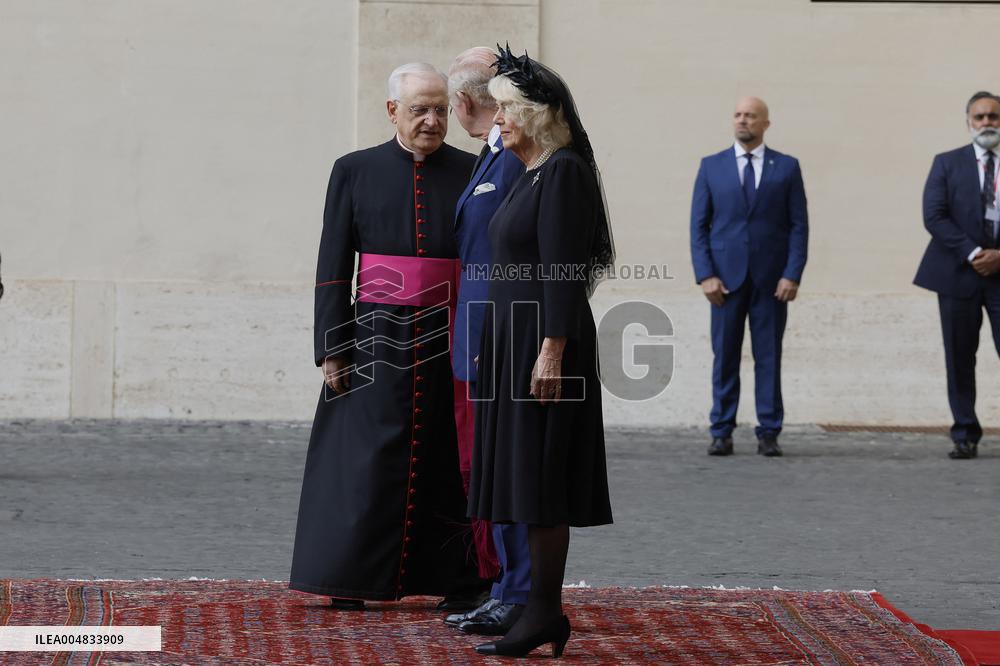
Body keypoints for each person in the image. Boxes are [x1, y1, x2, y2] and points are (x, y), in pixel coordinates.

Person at [289, 62, 487, 610]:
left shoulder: (472, 170)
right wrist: (332, 347)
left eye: (441, 109)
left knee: (449, 459)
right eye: (420, 109)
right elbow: (333, 265)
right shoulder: (353, 170)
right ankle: (353, 580)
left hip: (449, 334)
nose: (432, 120)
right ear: (392, 110)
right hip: (375, 335)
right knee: (365, 461)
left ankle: (458, 581)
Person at [467, 45, 614, 658]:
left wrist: (551, 350)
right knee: (523, 479)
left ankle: (544, 613)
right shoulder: (529, 172)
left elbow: (563, 269)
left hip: (544, 342)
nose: (495, 121)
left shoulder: (563, 172)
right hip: (515, 341)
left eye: (504, 110)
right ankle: (536, 611)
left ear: (535, 115)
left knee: (542, 481)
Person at [443, 47, 529, 637]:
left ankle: (518, 588)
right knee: (486, 469)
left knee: (505, 468)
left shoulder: (517, 162)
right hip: (475, 336)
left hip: (500, 337)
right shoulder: (490, 157)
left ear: (460, 104)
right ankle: (502, 585)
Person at [690, 97, 808, 457]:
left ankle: (768, 431)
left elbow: (799, 226)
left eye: (751, 116)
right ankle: (721, 430)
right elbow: (699, 227)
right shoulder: (712, 167)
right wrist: (705, 275)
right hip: (724, 283)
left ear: (765, 124)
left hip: (772, 283)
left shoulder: (786, 167)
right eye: (738, 115)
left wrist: (792, 274)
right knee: (724, 356)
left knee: (769, 356)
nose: (743, 121)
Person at [914, 91, 1000, 460]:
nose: (987, 123)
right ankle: (965, 432)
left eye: (994, 116)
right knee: (960, 357)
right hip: (958, 274)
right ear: (968, 121)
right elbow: (934, 215)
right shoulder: (946, 163)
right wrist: (974, 252)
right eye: (979, 117)